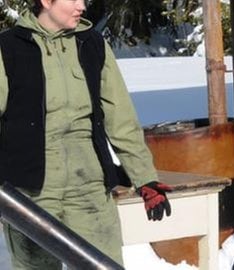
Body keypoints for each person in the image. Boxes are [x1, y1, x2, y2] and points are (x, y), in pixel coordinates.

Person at [0, 0, 171, 268]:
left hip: (89, 183)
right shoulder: (8, 48)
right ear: (46, 2)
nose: (82, 6)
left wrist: (146, 178)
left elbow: (120, 118)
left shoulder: (92, 45)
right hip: (32, 188)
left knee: (102, 263)